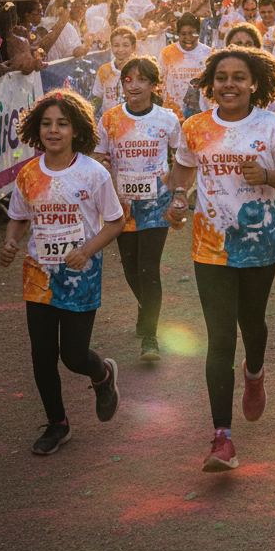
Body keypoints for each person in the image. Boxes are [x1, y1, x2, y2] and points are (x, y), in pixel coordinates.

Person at [165, 49, 275, 472]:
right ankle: (222, 437)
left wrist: (266, 176)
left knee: (252, 324)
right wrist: (177, 199)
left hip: (260, 245)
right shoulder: (196, 127)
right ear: (211, 83)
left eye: (239, 77)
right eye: (221, 77)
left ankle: (255, 373)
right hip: (210, 247)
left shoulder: (271, 125)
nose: (229, 85)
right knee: (220, 338)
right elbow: (183, 170)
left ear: (254, 83)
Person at [0, 89, 125, 455]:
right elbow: (19, 219)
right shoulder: (27, 175)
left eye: (62, 124)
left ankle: (102, 375)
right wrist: (10, 243)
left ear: (76, 130)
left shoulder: (93, 173)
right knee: (42, 355)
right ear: (36, 130)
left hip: (80, 277)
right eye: (46, 123)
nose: (53, 131)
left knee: (73, 355)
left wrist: (86, 251)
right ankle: (58, 424)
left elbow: (115, 222)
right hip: (38, 275)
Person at [94, 56, 182, 361]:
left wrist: (178, 192)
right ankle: (146, 312)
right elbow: (97, 156)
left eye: (141, 79)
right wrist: (99, 162)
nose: (133, 85)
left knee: (148, 267)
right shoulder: (109, 119)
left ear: (154, 85)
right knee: (131, 269)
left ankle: (149, 336)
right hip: (121, 207)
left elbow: (181, 159)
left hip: (156, 204)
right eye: (128, 79)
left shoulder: (168, 119)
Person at [159, 13, 212, 121]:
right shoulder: (167, 53)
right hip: (173, 115)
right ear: (178, 34)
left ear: (198, 33)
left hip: (201, 114)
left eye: (192, 33)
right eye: (184, 34)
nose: (188, 38)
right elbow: (159, 79)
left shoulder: (208, 53)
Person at [90, 27, 138, 117]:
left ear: (134, 47)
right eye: (116, 45)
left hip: (132, 123)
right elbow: (97, 98)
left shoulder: (140, 70)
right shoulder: (104, 70)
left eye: (126, 45)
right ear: (111, 46)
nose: (120, 50)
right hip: (108, 123)